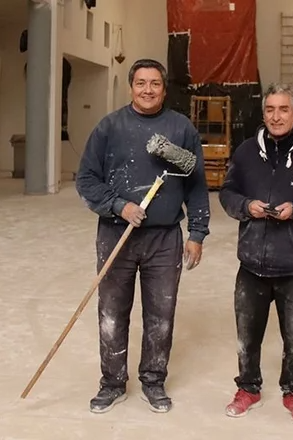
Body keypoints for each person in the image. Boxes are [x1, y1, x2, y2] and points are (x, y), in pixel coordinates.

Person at [76, 58, 210, 414]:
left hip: (165, 238)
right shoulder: (110, 127)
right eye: (141, 83)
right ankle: (112, 383)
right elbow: (86, 179)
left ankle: (153, 381)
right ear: (131, 87)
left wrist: (197, 233)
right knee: (112, 312)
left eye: (154, 83)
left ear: (164, 89)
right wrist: (119, 206)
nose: (147, 90)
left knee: (161, 313)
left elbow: (197, 184)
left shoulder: (180, 129)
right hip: (116, 234)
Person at [218, 83, 293, 424]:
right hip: (252, 266)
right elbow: (227, 194)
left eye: (283, 109)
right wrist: (246, 206)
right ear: (264, 114)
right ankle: (248, 388)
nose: (276, 116)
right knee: (247, 337)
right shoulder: (245, 152)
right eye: (270, 109)